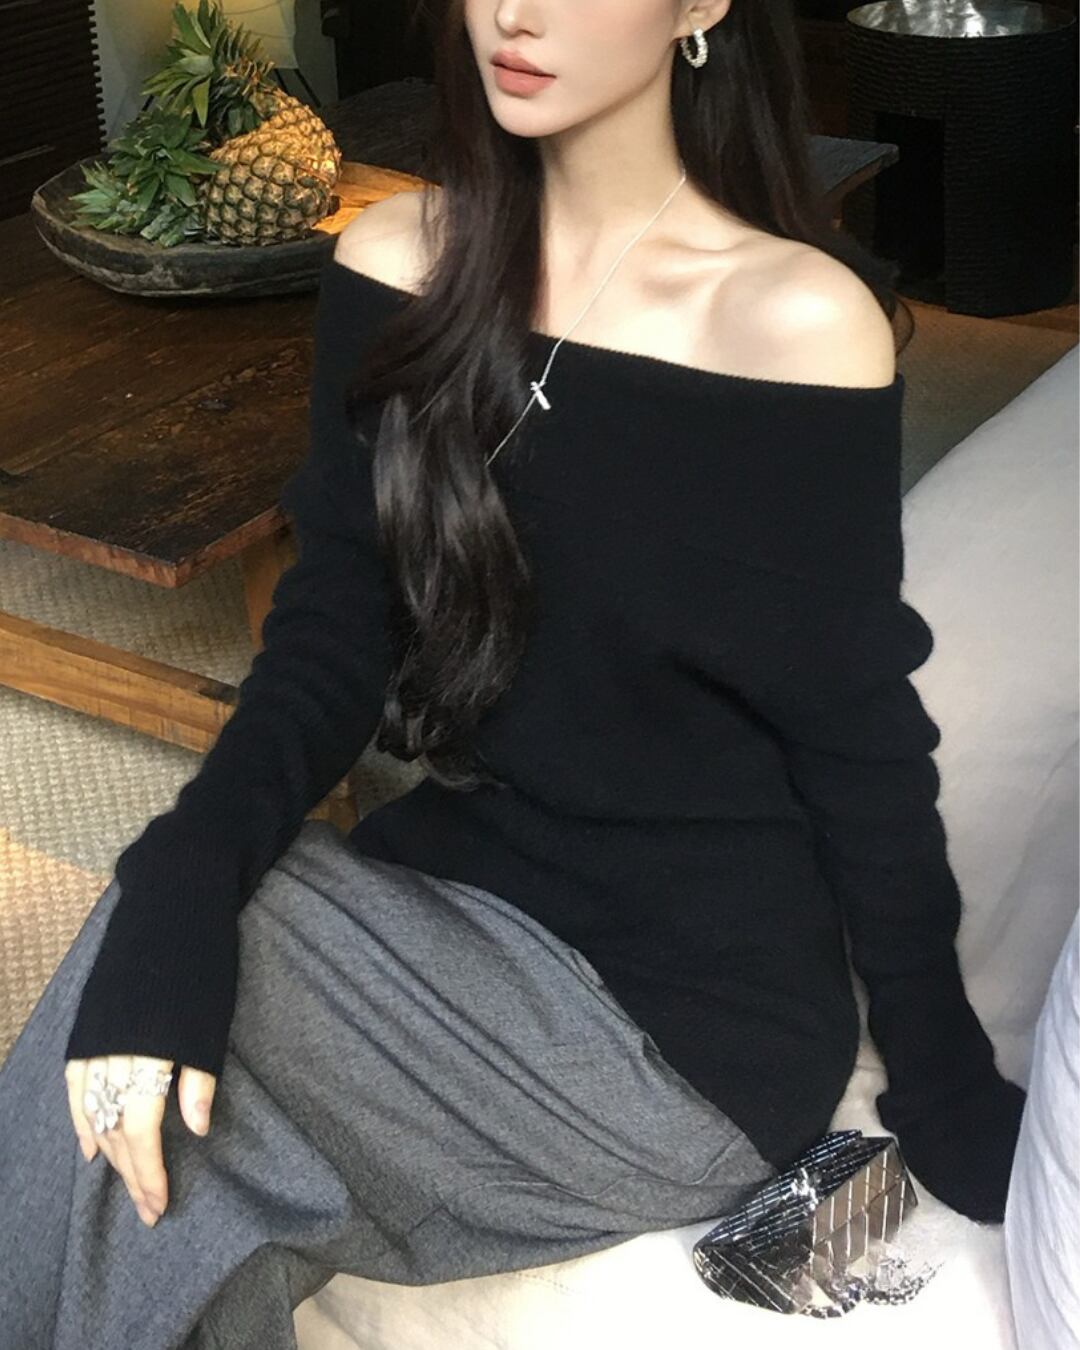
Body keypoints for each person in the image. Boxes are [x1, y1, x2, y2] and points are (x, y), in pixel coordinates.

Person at [0, 1, 1026, 1346]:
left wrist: (946, 1091)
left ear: (701, 7)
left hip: (684, 1024)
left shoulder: (793, 320)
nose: (515, 12)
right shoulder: (394, 262)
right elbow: (331, 633)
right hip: (451, 895)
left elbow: (859, 743)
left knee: (178, 1035)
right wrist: (182, 880)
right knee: (161, 990)